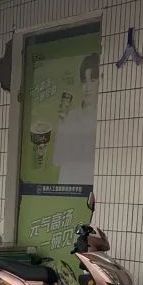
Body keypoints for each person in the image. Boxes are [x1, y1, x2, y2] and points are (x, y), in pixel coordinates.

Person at [53, 52, 99, 187]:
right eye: (84, 81)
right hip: (67, 185)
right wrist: (61, 125)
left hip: (87, 188)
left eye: (93, 80)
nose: (87, 87)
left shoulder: (102, 120)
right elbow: (57, 160)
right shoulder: (69, 116)